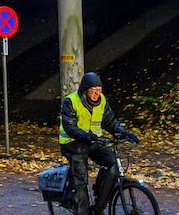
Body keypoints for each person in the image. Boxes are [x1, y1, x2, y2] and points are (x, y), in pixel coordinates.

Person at [59, 72, 139, 215]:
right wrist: (86, 136)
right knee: (81, 181)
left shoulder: (102, 100)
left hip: (93, 142)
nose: (97, 93)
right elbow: (70, 128)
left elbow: (110, 121)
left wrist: (124, 133)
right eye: (93, 89)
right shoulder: (71, 101)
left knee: (113, 164)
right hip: (73, 144)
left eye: (99, 89)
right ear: (85, 89)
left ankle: (99, 202)